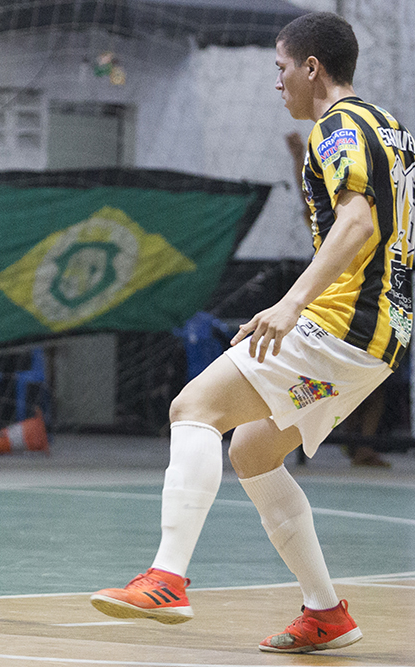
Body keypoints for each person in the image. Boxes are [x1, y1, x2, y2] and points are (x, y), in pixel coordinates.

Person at [90, 12, 413, 653]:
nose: (278, 82)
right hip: (382, 333)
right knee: (252, 452)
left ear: (311, 68)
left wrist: (292, 304)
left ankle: (166, 578)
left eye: (281, 68)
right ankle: (326, 612)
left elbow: (356, 226)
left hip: (342, 325)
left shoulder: (336, 128)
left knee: (194, 407)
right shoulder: (389, 126)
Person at [286, 131, 392, 467]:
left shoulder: (377, 217)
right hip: (331, 312)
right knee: (317, 384)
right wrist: (298, 155)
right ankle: (294, 429)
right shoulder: (333, 219)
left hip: (373, 311)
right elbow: (309, 199)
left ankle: (358, 444)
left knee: (372, 384)